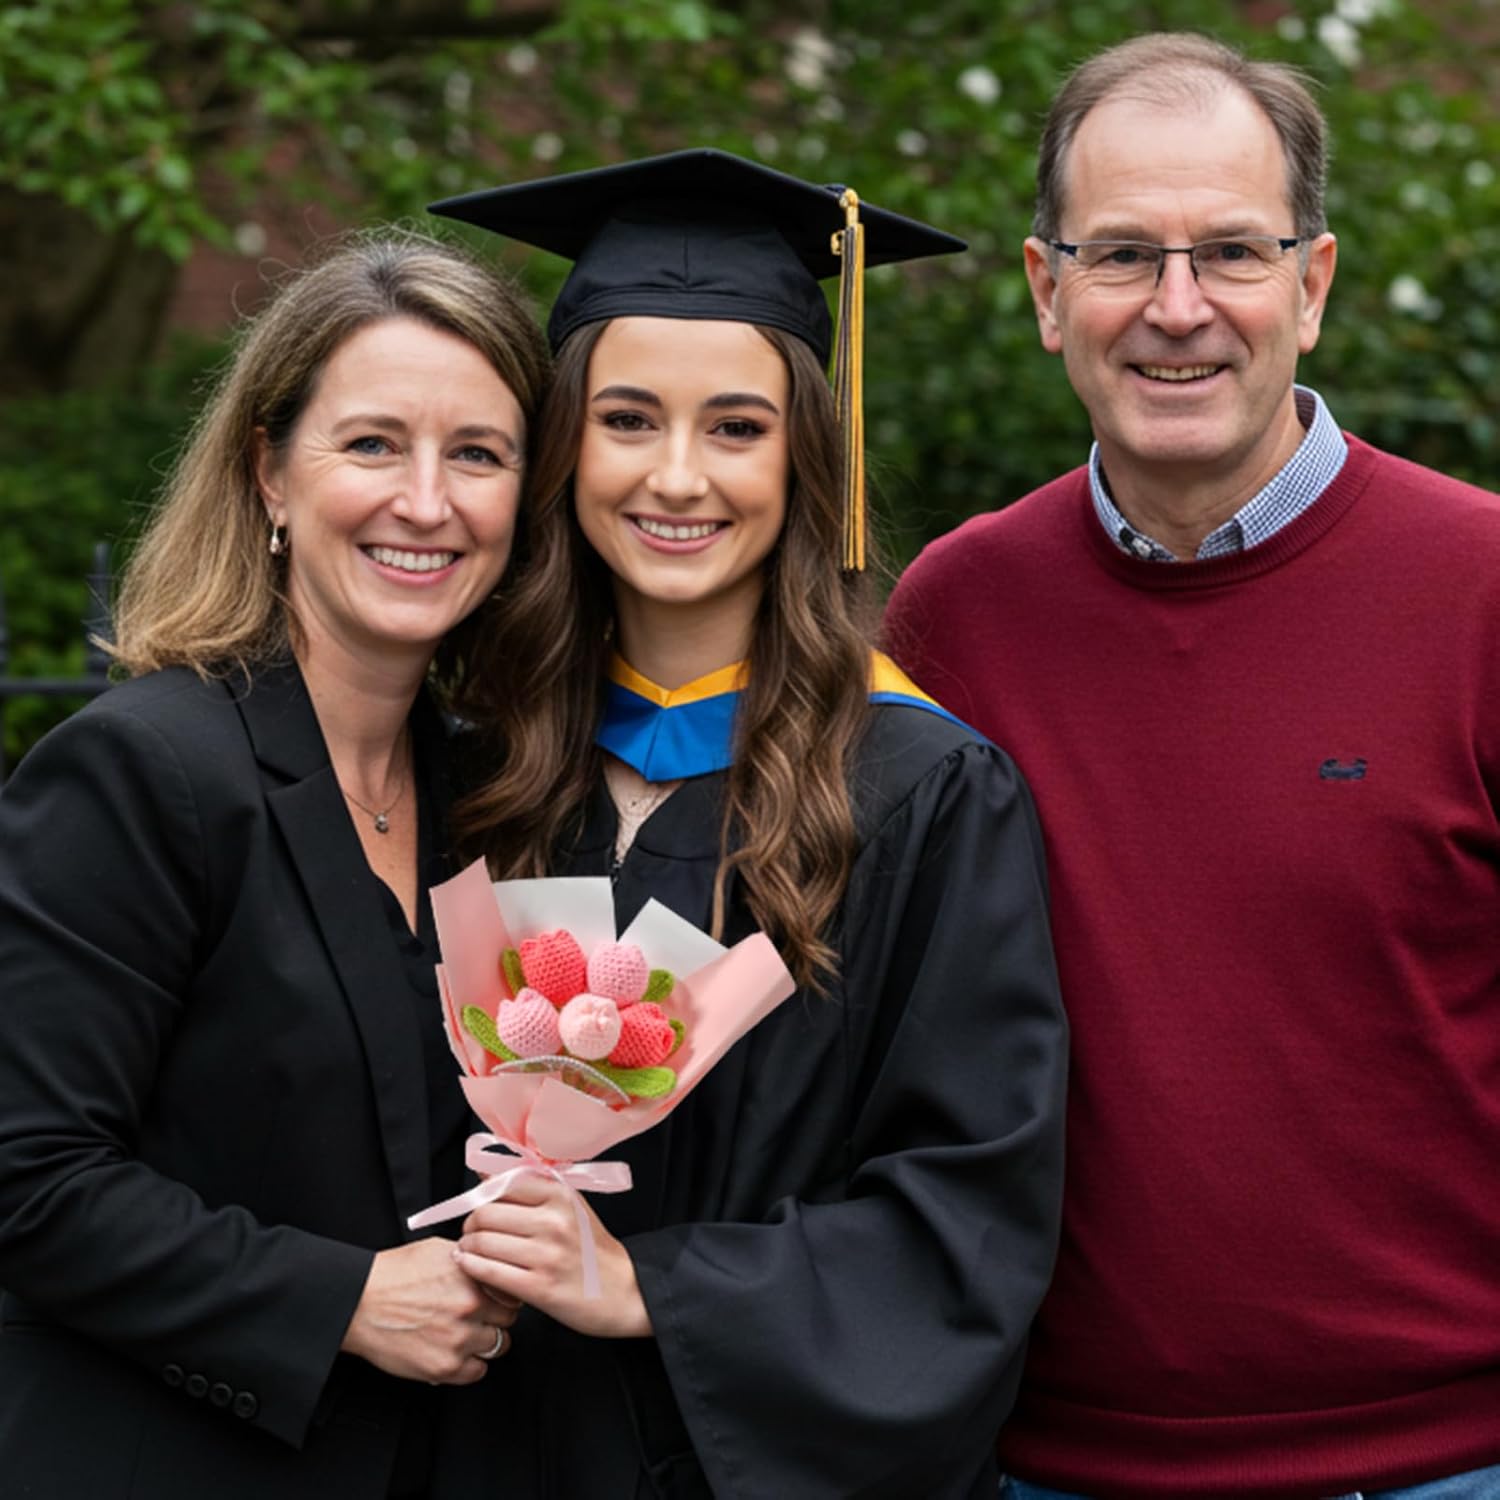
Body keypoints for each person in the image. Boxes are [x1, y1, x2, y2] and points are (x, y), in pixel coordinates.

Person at [886, 31, 1500, 1499]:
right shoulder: (955, 619)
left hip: (1445, 1461)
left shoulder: (1482, 590)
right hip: (1049, 1466)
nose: (1178, 310)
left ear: (1314, 282)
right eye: (1121, 257)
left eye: (1231, 250)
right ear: (1048, 292)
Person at [423, 149, 1069, 1499]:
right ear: (560, 445)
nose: (677, 477)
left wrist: (655, 1285)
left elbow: (970, 1210)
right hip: (477, 1437)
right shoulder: (471, 764)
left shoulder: (921, 791)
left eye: (735, 426)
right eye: (626, 420)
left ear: (803, 454)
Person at [0, 232, 550, 1498]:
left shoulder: (494, 795)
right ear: (269, 474)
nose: (427, 500)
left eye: (478, 454)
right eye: (371, 445)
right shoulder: (142, 773)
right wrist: (340, 1299)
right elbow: (27, 1176)